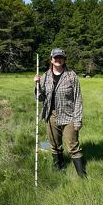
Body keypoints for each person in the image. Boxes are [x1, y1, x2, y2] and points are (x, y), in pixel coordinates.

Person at [34, 48, 87, 178]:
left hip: (69, 116)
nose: (58, 60)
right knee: (55, 146)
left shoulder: (71, 76)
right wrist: (36, 85)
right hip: (51, 116)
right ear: (51, 59)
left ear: (64, 60)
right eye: (55, 57)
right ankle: (58, 169)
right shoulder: (45, 76)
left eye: (60, 57)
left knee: (73, 147)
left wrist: (78, 119)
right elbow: (40, 98)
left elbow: (78, 98)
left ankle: (82, 176)